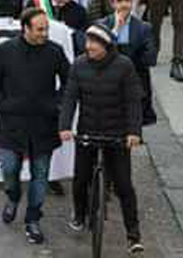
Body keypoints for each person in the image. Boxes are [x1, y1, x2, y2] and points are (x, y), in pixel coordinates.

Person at [0, 6, 70, 245]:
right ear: (25, 29)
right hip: (12, 123)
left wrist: (57, 104)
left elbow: (69, 81)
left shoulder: (54, 51)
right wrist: (1, 105)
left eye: (46, 28)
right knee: (9, 169)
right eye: (40, 29)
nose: (45, 33)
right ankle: (12, 197)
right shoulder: (5, 51)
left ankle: (33, 218)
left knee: (40, 174)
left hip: (44, 123)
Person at [60, 23, 144, 253]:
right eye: (87, 42)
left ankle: (133, 234)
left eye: (94, 43)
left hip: (117, 134)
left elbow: (133, 102)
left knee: (124, 185)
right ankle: (79, 213)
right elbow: (69, 98)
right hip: (88, 130)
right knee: (80, 181)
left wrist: (134, 132)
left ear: (106, 46)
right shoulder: (79, 65)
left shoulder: (124, 66)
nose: (89, 47)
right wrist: (65, 126)